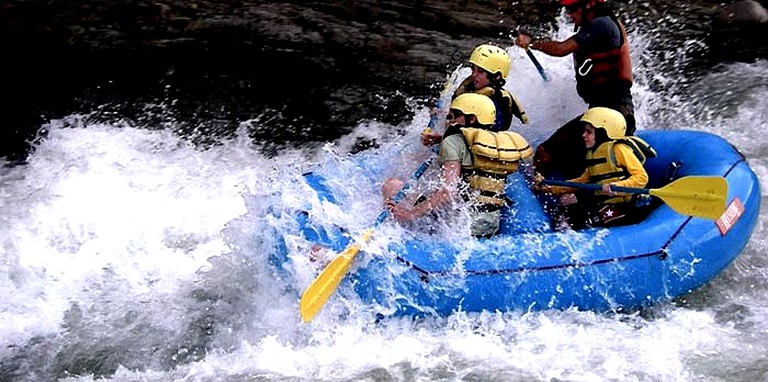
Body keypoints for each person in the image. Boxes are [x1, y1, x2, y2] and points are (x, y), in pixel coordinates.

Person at [515, 0, 635, 180]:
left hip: (613, 117)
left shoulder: (602, 25)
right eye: (567, 9)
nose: (569, 14)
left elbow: (561, 49)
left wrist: (531, 42)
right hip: (603, 115)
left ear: (589, 5)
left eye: (572, 8)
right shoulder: (598, 27)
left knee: (544, 153)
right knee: (571, 163)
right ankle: (567, 200)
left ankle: (543, 199)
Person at [384, 93, 532, 238]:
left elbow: (449, 191)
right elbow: (468, 152)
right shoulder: (495, 143)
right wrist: (441, 140)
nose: (450, 121)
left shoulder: (452, 142)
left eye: (454, 116)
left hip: (460, 226)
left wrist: (410, 215)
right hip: (488, 226)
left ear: (472, 118)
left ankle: (396, 235)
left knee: (392, 186)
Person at [541, 107, 651, 230]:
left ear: (603, 133)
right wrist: (549, 188)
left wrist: (617, 186)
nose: (583, 135)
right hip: (603, 203)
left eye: (589, 132)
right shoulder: (593, 153)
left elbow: (641, 177)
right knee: (566, 201)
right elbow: (581, 182)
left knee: (582, 221)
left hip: (624, 206)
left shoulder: (618, 149)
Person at [421, 44, 528, 146]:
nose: (473, 74)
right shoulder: (471, 90)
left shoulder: (495, 105)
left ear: (497, 76)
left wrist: (439, 139)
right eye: (473, 68)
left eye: (480, 71)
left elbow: (477, 139)